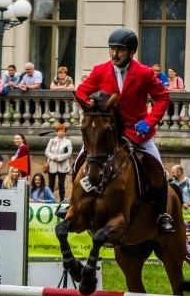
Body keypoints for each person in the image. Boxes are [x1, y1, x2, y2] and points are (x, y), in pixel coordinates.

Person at [75, 27, 174, 234]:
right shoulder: (100, 70)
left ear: (131, 52)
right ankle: (71, 201)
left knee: (157, 170)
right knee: (80, 161)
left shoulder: (145, 73)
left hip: (137, 133)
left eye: (119, 49)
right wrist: (93, 111)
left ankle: (163, 214)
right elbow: (81, 92)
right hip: (106, 132)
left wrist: (149, 121)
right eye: (112, 49)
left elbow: (163, 98)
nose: (114, 54)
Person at [45, 124, 72, 202]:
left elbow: (69, 153)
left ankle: (62, 200)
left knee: (61, 184)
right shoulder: (52, 141)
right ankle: (49, 200)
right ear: (56, 132)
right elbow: (47, 152)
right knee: (51, 184)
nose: (61, 133)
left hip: (62, 166)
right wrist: (53, 157)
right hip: (52, 165)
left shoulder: (68, 142)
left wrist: (59, 157)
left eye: (63, 131)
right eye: (59, 131)